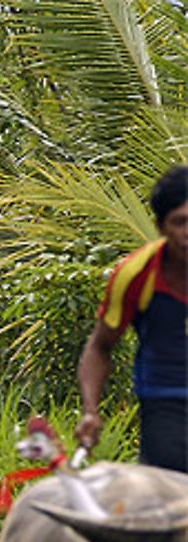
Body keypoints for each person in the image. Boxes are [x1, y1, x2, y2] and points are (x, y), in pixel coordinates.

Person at [76, 164, 188, 472]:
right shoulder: (135, 275)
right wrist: (90, 411)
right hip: (166, 403)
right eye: (180, 222)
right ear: (161, 227)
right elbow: (100, 346)